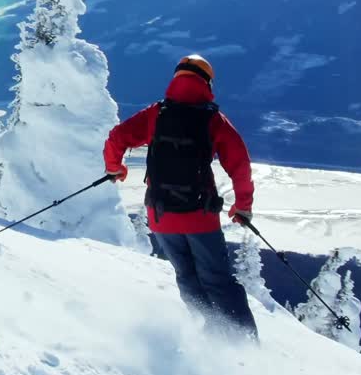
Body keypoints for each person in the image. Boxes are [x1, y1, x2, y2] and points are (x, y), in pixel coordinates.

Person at [102, 54, 258, 338]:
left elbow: (116, 138)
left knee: (186, 277)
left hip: (161, 216)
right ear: (207, 82)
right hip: (200, 217)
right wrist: (242, 206)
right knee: (217, 280)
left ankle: (210, 333)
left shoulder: (156, 114)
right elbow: (240, 165)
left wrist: (116, 168)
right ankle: (243, 343)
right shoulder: (214, 120)